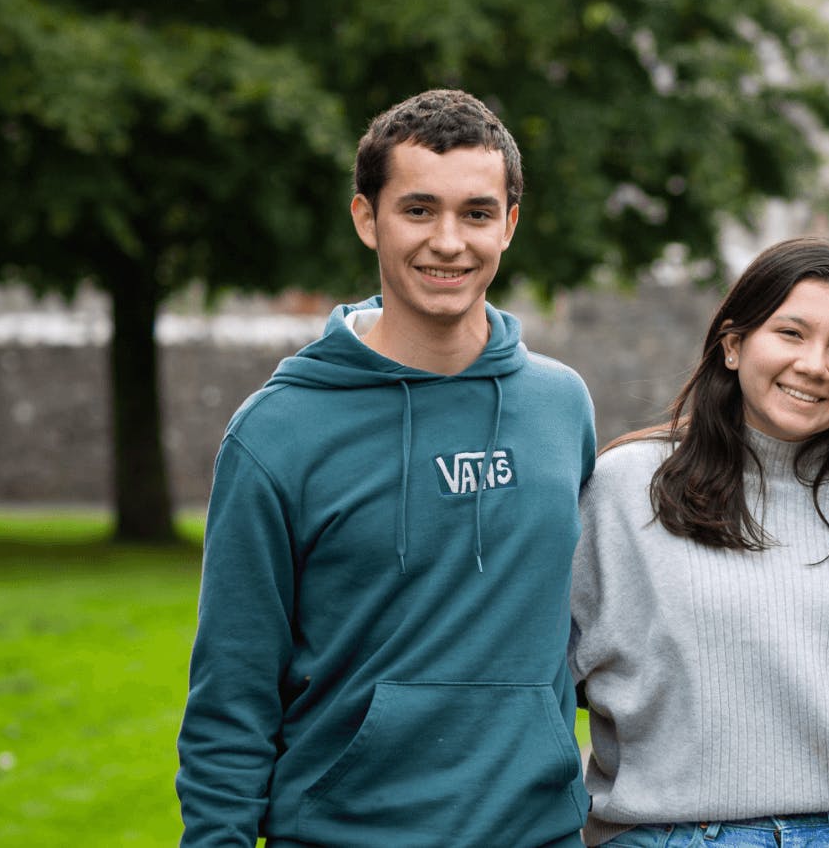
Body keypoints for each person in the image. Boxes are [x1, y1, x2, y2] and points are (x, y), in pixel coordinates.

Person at [177, 89, 599, 847]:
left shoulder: (560, 407)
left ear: (509, 223)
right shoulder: (276, 433)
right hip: (344, 833)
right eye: (418, 210)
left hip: (536, 835)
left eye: (476, 213)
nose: (448, 241)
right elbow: (229, 700)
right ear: (367, 218)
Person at [572, 237, 829, 848]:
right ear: (734, 344)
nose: (814, 365)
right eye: (791, 334)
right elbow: (548, 681)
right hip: (669, 835)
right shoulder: (626, 487)